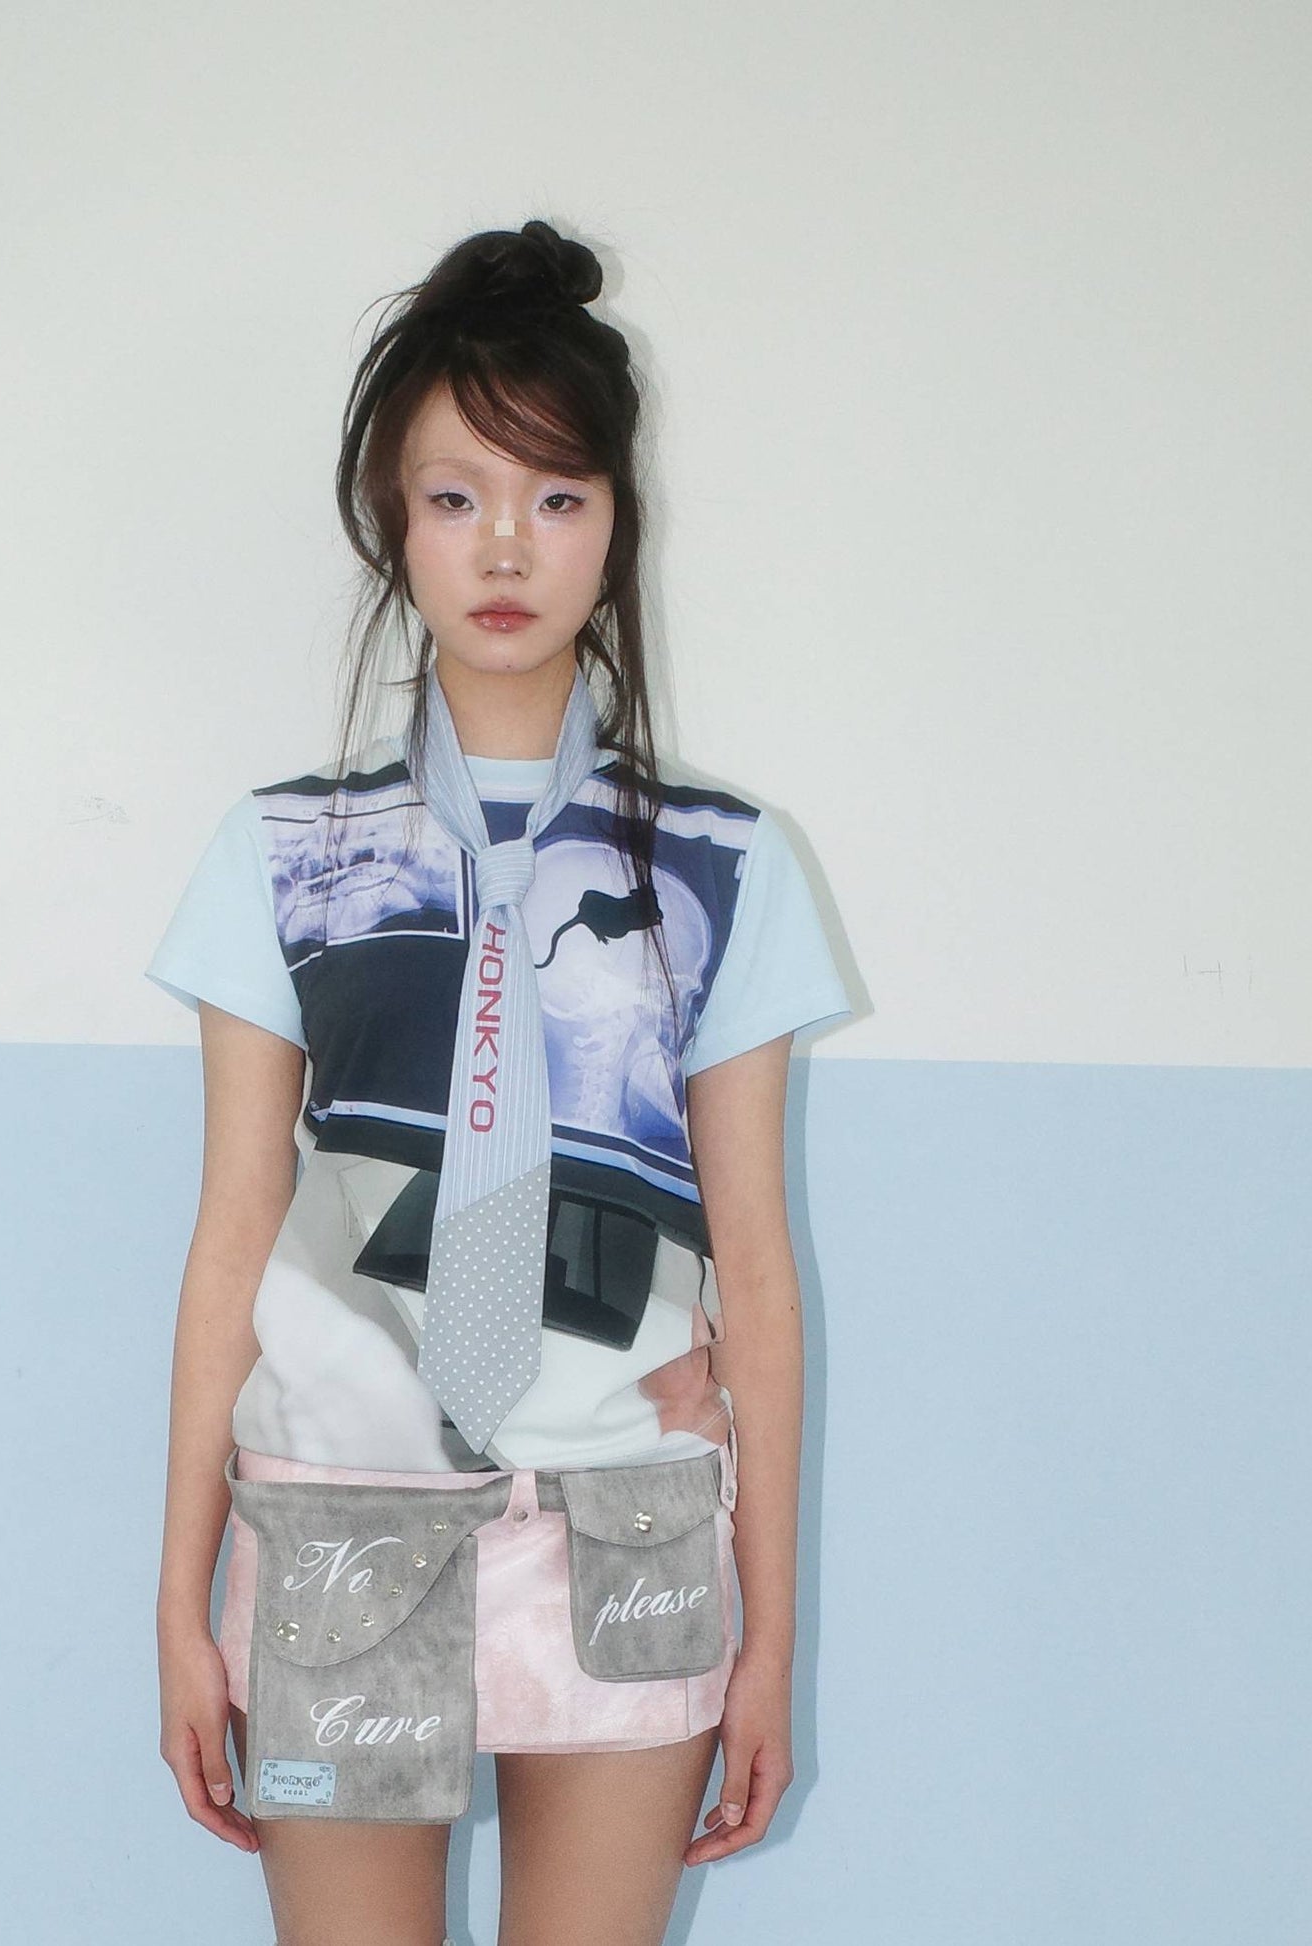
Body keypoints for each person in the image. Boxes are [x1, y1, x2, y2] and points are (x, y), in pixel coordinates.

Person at [145, 219, 853, 1946]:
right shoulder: (283, 852)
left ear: (617, 524)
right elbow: (234, 1226)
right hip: (337, 1516)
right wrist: (178, 1591)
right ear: (392, 525)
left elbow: (756, 1267)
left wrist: (770, 1633)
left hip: (628, 1526)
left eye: (556, 495)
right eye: (455, 497)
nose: (507, 546)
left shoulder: (725, 863)